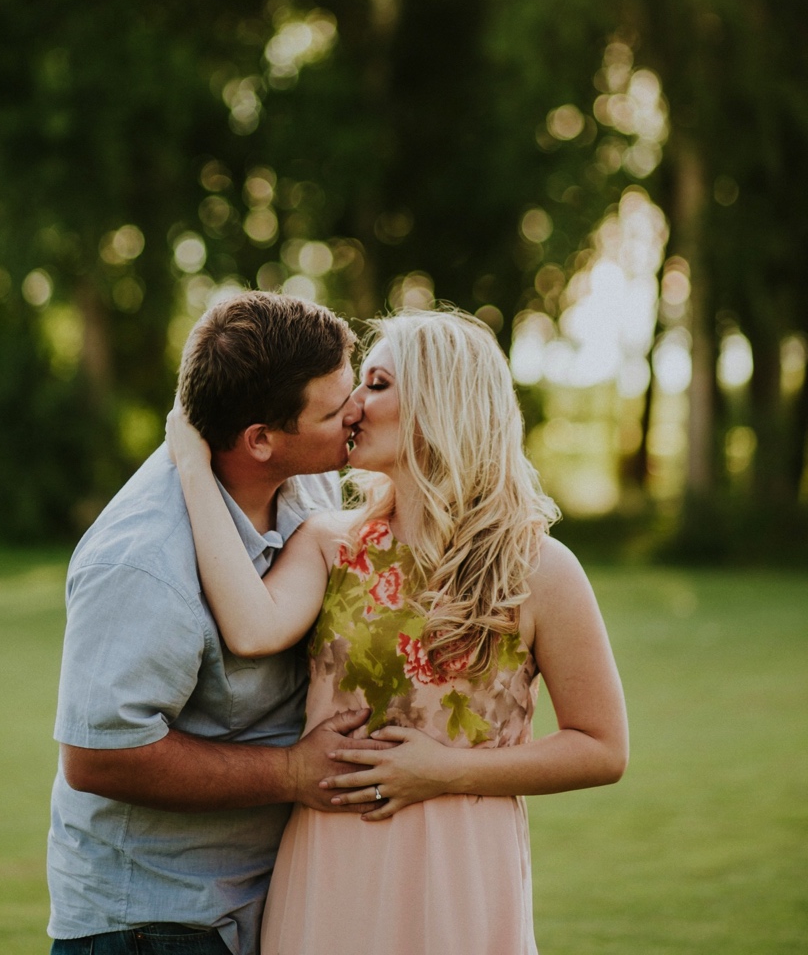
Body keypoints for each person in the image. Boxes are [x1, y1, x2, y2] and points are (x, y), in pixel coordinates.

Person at [169, 306, 629, 955]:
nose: (351, 404)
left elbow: (602, 748)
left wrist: (446, 770)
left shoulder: (538, 568)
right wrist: (192, 467)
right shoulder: (330, 543)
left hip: (460, 874)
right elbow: (249, 627)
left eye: (377, 384)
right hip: (331, 868)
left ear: (442, 402)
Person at [48, 291, 379, 955]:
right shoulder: (140, 561)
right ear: (260, 439)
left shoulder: (306, 482)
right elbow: (99, 757)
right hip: (154, 924)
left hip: (263, 903)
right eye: (333, 407)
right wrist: (291, 773)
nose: (358, 412)